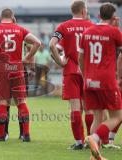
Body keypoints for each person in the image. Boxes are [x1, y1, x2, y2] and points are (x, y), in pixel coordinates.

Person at [0, 8, 41, 142]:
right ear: (12, 17)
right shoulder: (20, 29)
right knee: (21, 101)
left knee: (2, 101)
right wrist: (27, 58)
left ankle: (1, 135)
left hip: (2, 69)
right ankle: (26, 135)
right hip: (17, 68)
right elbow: (38, 43)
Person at [78, 3, 122, 159]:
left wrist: (85, 75)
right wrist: (117, 27)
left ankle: (94, 156)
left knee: (98, 117)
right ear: (113, 17)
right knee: (117, 116)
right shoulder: (114, 32)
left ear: (99, 15)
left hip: (89, 80)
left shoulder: (87, 32)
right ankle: (94, 138)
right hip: (107, 80)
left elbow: (80, 58)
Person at [49, 0, 94, 150]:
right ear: (83, 11)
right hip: (88, 71)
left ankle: (79, 142)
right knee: (89, 108)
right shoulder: (92, 26)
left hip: (70, 71)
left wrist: (60, 62)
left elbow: (51, 45)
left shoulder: (64, 26)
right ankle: (91, 140)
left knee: (75, 107)